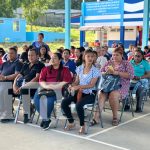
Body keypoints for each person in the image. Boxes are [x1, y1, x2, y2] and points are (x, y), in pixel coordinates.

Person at [92, 47, 134, 126]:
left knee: (113, 94)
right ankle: (96, 117)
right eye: (113, 55)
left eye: (117, 55)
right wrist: (106, 72)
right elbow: (101, 72)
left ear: (121, 55)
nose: (114, 57)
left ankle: (115, 117)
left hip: (121, 85)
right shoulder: (109, 62)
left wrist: (117, 73)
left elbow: (131, 75)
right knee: (101, 94)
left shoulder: (126, 63)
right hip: (108, 84)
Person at [61, 49, 100, 134]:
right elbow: (76, 81)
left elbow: (91, 85)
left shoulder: (96, 70)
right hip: (79, 93)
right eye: (88, 56)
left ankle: (82, 126)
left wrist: (78, 86)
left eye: (92, 56)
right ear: (84, 57)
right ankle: (71, 122)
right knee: (64, 102)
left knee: (79, 105)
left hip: (90, 94)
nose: (90, 58)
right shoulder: (79, 68)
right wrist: (72, 85)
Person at [34, 53, 72, 130]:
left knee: (48, 100)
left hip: (58, 91)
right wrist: (46, 86)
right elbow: (41, 80)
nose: (52, 59)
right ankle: (46, 119)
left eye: (55, 58)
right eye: (51, 58)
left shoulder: (65, 70)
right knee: (36, 99)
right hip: (45, 88)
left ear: (60, 60)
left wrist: (54, 87)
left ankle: (45, 119)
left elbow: (66, 81)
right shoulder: (46, 69)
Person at [13, 48, 45, 123]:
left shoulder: (40, 65)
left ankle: (27, 113)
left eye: (32, 55)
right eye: (29, 55)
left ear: (37, 56)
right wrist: (14, 85)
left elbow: (37, 78)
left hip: (34, 86)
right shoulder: (26, 64)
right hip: (23, 85)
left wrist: (23, 86)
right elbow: (18, 75)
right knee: (8, 88)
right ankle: (7, 111)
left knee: (24, 90)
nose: (30, 57)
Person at [0, 47, 23, 122]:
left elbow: (17, 74)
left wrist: (5, 77)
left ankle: (8, 114)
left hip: (13, 84)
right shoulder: (4, 64)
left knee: (4, 89)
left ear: (16, 54)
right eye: (9, 53)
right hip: (2, 83)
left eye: (12, 53)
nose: (9, 55)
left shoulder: (18, 63)